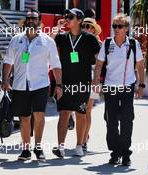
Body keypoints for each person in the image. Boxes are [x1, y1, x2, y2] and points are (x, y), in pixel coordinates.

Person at [2, 9, 62, 161]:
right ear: (25, 21)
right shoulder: (16, 40)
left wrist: (59, 84)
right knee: (24, 117)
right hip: (20, 84)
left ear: (39, 22)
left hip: (40, 84)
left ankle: (38, 147)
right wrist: (5, 79)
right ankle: (26, 149)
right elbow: (8, 61)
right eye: (28, 18)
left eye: (34, 18)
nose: (30, 20)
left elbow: (56, 64)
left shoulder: (47, 41)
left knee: (39, 115)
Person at [93, 13, 145, 166]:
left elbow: (140, 65)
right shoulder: (107, 43)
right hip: (110, 87)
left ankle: (126, 153)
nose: (116, 29)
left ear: (126, 28)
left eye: (119, 26)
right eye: (114, 26)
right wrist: (96, 81)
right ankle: (115, 152)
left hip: (128, 86)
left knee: (127, 120)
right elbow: (99, 64)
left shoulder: (134, 44)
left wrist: (141, 85)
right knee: (111, 120)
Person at [52, 8, 100, 157]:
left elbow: (100, 59)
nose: (67, 19)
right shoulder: (62, 37)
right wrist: (57, 28)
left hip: (83, 82)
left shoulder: (89, 39)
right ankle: (60, 147)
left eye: (70, 17)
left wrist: (96, 79)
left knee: (81, 114)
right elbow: (48, 42)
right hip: (64, 82)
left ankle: (79, 145)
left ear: (79, 20)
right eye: (66, 16)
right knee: (64, 113)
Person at [81, 17, 102, 152]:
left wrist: (97, 82)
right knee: (79, 110)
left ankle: (83, 141)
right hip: (78, 78)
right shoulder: (78, 41)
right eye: (84, 26)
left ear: (94, 29)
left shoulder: (99, 44)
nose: (86, 29)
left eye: (89, 26)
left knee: (87, 109)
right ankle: (83, 134)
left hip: (94, 79)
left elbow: (101, 64)